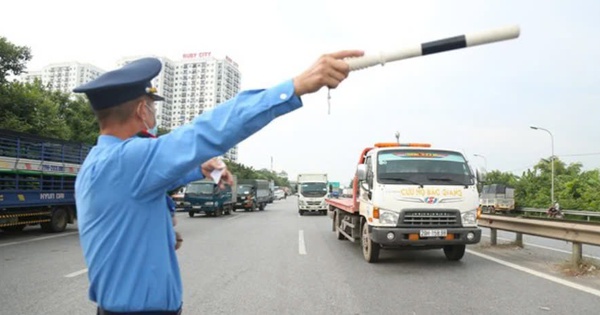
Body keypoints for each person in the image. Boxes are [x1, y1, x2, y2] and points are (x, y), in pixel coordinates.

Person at [73, 49, 363, 314]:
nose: (153, 113)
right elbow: (206, 131)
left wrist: (201, 171)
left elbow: (140, 197)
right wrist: (296, 86)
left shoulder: (99, 164)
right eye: (151, 105)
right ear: (140, 111)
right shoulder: (128, 160)